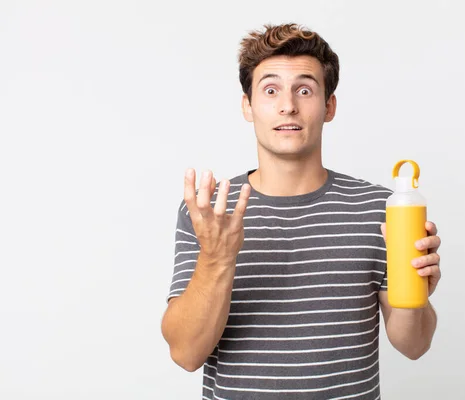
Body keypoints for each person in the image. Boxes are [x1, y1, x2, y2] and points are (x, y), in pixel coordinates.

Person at [161, 23, 442, 399]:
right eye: (271, 90)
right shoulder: (210, 210)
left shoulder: (381, 208)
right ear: (248, 106)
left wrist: (416, 293)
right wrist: (217, 258)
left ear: (329, 106)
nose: (287, 105)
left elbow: (414, 345)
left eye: (305, 90)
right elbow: (185, 353)